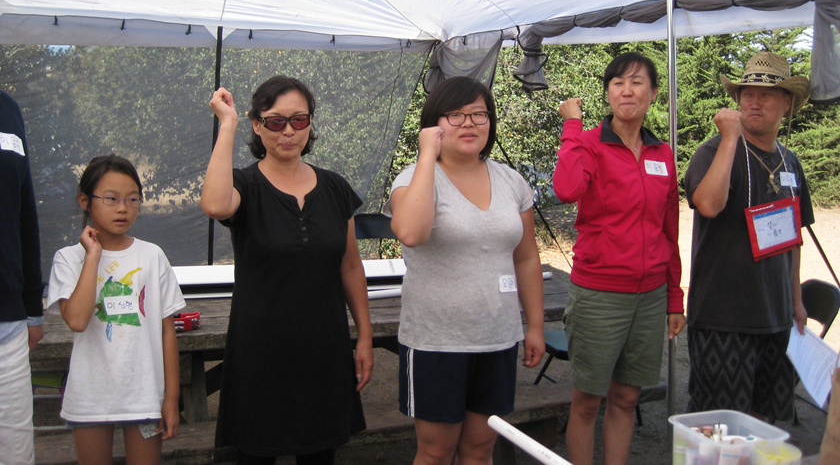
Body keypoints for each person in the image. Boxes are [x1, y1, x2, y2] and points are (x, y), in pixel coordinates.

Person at [201, 76, 373, 465]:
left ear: (310, 122)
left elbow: (350, 266)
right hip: (260, 354)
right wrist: (227, 124)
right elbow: (215, 205)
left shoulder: (335, 188)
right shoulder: (244, 184)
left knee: (320, 456)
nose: (289, 131)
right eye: (276, 121)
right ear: (257, 125)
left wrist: (364, 336)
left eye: (299, 120)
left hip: (324, 350)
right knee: (256, 455)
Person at [385, 75, 545, 465]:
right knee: (436, 452)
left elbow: (526, 257)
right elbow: (411, 233)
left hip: (497, 337)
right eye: (455, 115)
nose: (469, 123)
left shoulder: (511, 181)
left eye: (478, 114)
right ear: (434, 124)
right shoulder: (414, 178)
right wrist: (427, 156)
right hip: (436, 342)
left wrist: (535, 326)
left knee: (479, 450)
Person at [552, 52, 684, 465]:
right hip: (599, 294)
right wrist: (571, 126)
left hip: (650, 296)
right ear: (608, 92)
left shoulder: (662, 153)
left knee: (626, 398)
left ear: (653, 93)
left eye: (637, 82)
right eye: (618, 83)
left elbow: (670, 231)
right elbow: (566, 189)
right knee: (587, 402)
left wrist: (675, 297)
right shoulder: (589, 143)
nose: (627, 91)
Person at [685, 52, 813, 421]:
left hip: (777, 316)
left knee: (765, 421)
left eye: (766, 95)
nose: (755, 102)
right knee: (720, 427)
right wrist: (730, 139)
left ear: (786, 104)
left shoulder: (790, 162)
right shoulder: (714, 150)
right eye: (748, 94)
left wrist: (796, 301)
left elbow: (793, 238)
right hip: (723, 318)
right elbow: (708, 204)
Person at [45, 155, 185, 464]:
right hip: (90, 396)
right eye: (111, 199)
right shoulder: (69, 259)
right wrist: (93, 256)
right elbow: (77, 320)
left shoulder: (152, 256)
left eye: (132, 199)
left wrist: (171, 399)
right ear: (85, 201)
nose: (123, 208)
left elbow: (167, 332)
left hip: (144, 395)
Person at [0, 90, 44, 465]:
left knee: (15, 455)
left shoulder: (7, 109)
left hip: (8, 327)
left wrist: (32, 307)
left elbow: (24, 212)